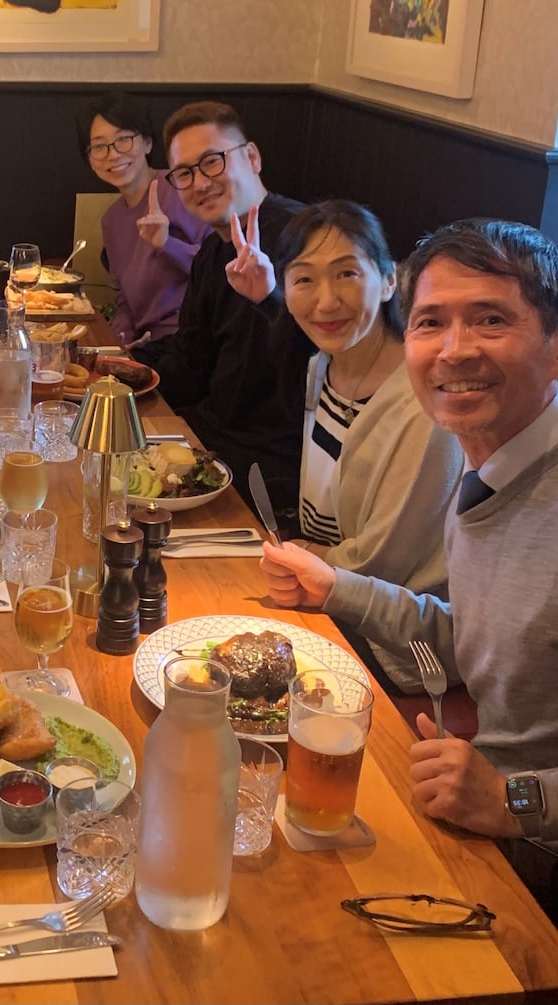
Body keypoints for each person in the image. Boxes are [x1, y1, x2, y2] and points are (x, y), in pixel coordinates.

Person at [259, 218, 558, 1003]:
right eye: (432, 322)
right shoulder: (490, 462)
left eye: (491, 319)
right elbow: (486, 632)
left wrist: (515, 798)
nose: (455, 349)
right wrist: (336, 588)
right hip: (500, 826)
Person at [233, 199, 462, 689]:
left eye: (346, 274)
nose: (326, 302)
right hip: (327, 592)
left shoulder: (424, 405)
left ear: (388, 281)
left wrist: (302, 554)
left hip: (400, 641)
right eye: (304, 279)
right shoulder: (321, 367)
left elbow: (384, 565)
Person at [131, 101, 312, 524]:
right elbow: (191, 360)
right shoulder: (214, 250)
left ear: (252, 157)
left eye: (212, 162)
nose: (200, 183)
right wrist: (122, 369)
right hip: (212, 437)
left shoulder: (308, 239)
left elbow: (322, 362)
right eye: (184, 173)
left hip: (273, 466)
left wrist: (269, 297)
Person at [76, 91, 211, 348]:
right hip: (147, 345)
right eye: (99, 146)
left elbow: (216, 273)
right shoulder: (111, 220)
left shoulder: (181, 188)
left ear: (147, 143)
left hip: (192, 340)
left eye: (123, 140)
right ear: (90, 159)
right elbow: (125, 300)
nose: (113, 154)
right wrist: (121, 338)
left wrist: (167, 244)